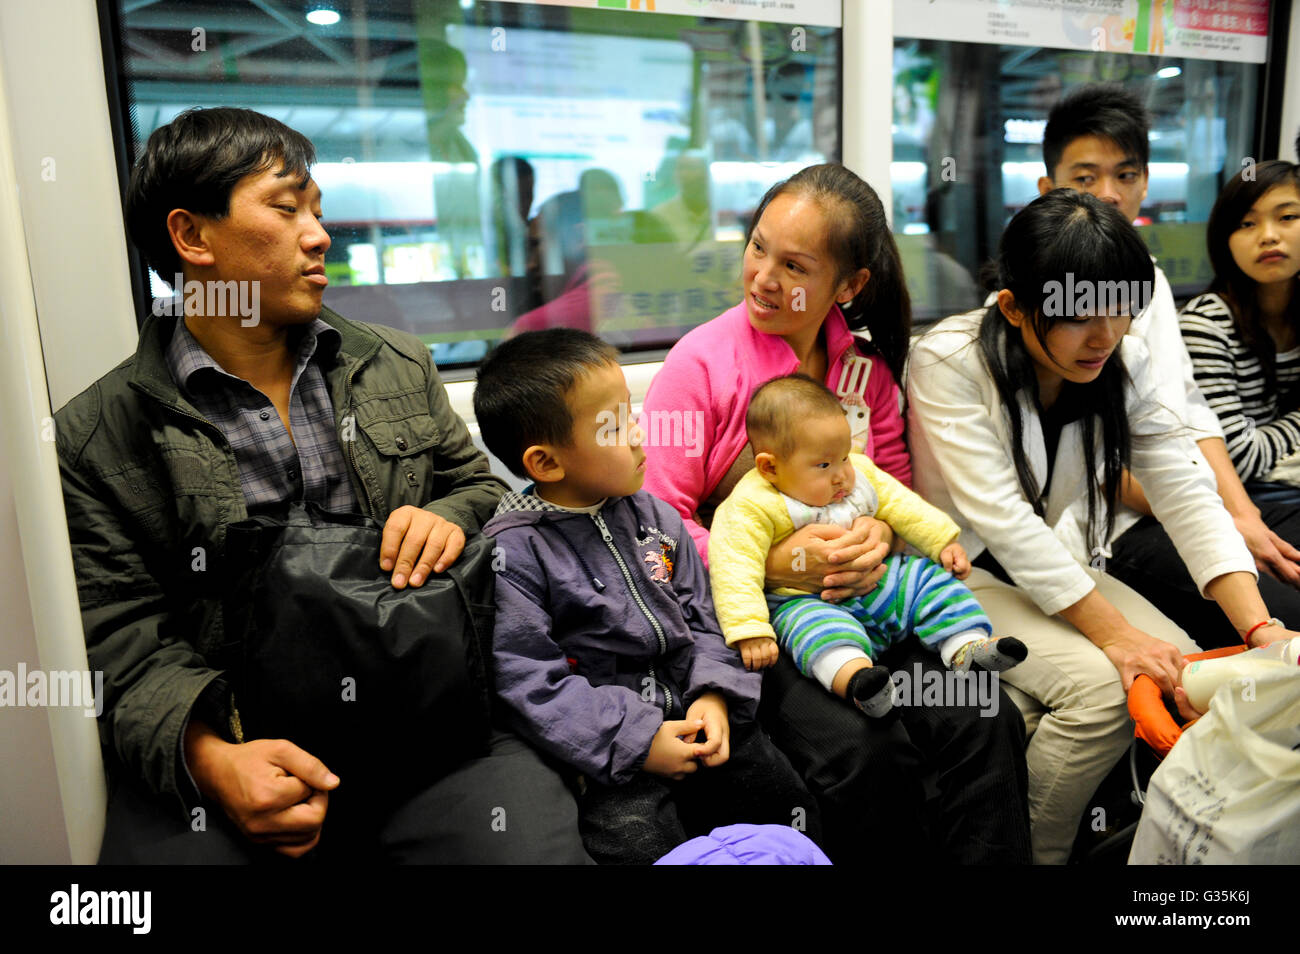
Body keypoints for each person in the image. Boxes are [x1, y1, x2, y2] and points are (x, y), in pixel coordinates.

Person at [57, 107, 588, 863]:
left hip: (423, 709)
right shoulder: (98, 434)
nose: (319, 234)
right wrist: (212, 761)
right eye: (285, 208)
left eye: (318, 210)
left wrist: (448, 516)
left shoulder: (396, 364)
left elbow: (479, 486)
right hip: (241, 738)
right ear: (191, 236)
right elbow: (118, 636)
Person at [642, 162, 1031, 863]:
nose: (763, 276)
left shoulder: (865, 373)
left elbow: (895, 488)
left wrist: (879, 534)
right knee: (863, 747)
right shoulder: (697, 367)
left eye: (794, 265)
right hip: (765, 622)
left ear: (849, 286)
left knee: (984, 715)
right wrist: (769, 559)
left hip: (871, 598)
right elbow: (658, 523)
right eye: (757, 247)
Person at [907, 188, 1300, 864]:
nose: (1105, 336)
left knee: (1180, 663)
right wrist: (1117, 640)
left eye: (1121, 311)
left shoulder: (1125, 362)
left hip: (1043, 568)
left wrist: (1261, 630)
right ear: (1013, 307)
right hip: (951, 573)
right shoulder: (950, 360)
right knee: (1103, 689)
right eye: (1080, 317)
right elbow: (1000, 518)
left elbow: (1186, 494)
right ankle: (1039, 856)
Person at [473, 329, 819, 865]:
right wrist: (638, 742)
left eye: (631, 414)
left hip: (702, 717)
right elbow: (528, 681)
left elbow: (706, 617)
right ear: (545, 464)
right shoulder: (514, 554)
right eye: (613, 425)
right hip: (612, 755)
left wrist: (715, 695)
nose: (638, 434)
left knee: (788, 808)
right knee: (639, 841)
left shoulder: (655, 518)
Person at [1034, 83, 1300, 649]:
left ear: (1146, 183)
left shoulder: (1148, 279)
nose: (1108, 194)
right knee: (1289, 616)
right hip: (1123, 522)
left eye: (1125, 176)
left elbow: (1189, 411)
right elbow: (1095, 458)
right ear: (1047, 187)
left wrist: (1241, 514)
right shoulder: (1039, 294)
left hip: (1187, 501)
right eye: (1085, 178)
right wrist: (1217, 520)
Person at [708, 374, 1026, 718]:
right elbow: (734, 565)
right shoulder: (751, 504)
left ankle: (966, 648)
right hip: (808, 599)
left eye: (844, 456)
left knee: (931, 581)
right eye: (824, 464)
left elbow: (903, 505)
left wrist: (942, 541)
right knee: (812, 631)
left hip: (881, 581)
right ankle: (860, 682)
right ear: (770, 467)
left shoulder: (860, 472)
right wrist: (748, 628)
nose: (842, 474)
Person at [1180, 161, 1300, 503]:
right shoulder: (1207, 323)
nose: (1268, 236)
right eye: (1247, 223)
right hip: (1235, 502)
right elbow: (1239, 460)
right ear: (1225, 241)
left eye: (1287, 217)